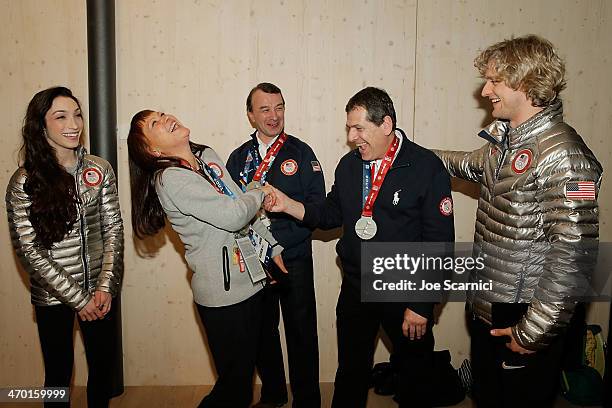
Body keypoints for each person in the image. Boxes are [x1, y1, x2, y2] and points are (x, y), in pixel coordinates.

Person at [433, 35, 602, 407]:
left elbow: (574, 256)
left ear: (524, 83)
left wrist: (532, 332)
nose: (486, 89)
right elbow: (463, 163)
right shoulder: (506, 141)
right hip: (489, 301)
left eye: (495, 80)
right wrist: (404, 151)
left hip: (526, 312)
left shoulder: (566, 156)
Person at [266, 87, 455, 407]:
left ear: (386, 125)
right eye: (349, 128)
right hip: (356, 287)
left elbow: (439, 241)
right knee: (351, 372)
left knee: (415, 376)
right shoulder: (350, 166)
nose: (352, 137)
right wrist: (287, 205)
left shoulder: (425, 166)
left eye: (359, 128)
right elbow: (329, 214)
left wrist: (422, 305)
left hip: (404, 288)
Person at [127, 109, 286, 408]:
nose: (165, 118)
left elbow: (239, 201)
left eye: (162, 114)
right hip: (223, 295)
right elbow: (234, 213)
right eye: (155, 123)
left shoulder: (206, 155)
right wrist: (260, 191)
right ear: (152, 150)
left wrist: (273, 246)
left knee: (265, 359)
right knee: (234, 387)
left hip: (254, 276)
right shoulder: (170, 179)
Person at [5, 86, 124, 408]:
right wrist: (78, 298)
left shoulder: (98, 169)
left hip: (101, 294)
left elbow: (114, 230)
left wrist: (105, 287)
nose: (73, 124)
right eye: (60, 117)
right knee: (58, 376)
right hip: (53, 294)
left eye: (77, 114)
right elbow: (29, 250)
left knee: (102, 371)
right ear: (41, 126)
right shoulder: (24, 181)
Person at [226, 82, 325, 408]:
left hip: (294, 257)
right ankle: (273, 395)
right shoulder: (238, 158)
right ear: (251, 116)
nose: (273, 115)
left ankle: (307, 400)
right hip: (253, 261)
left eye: (279, 107)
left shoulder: (301, 152)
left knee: (302, 332)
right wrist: (260, 255)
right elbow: (229, 212)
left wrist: (277, 248)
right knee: (261, 332)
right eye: (265, 109)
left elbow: (315, 210)